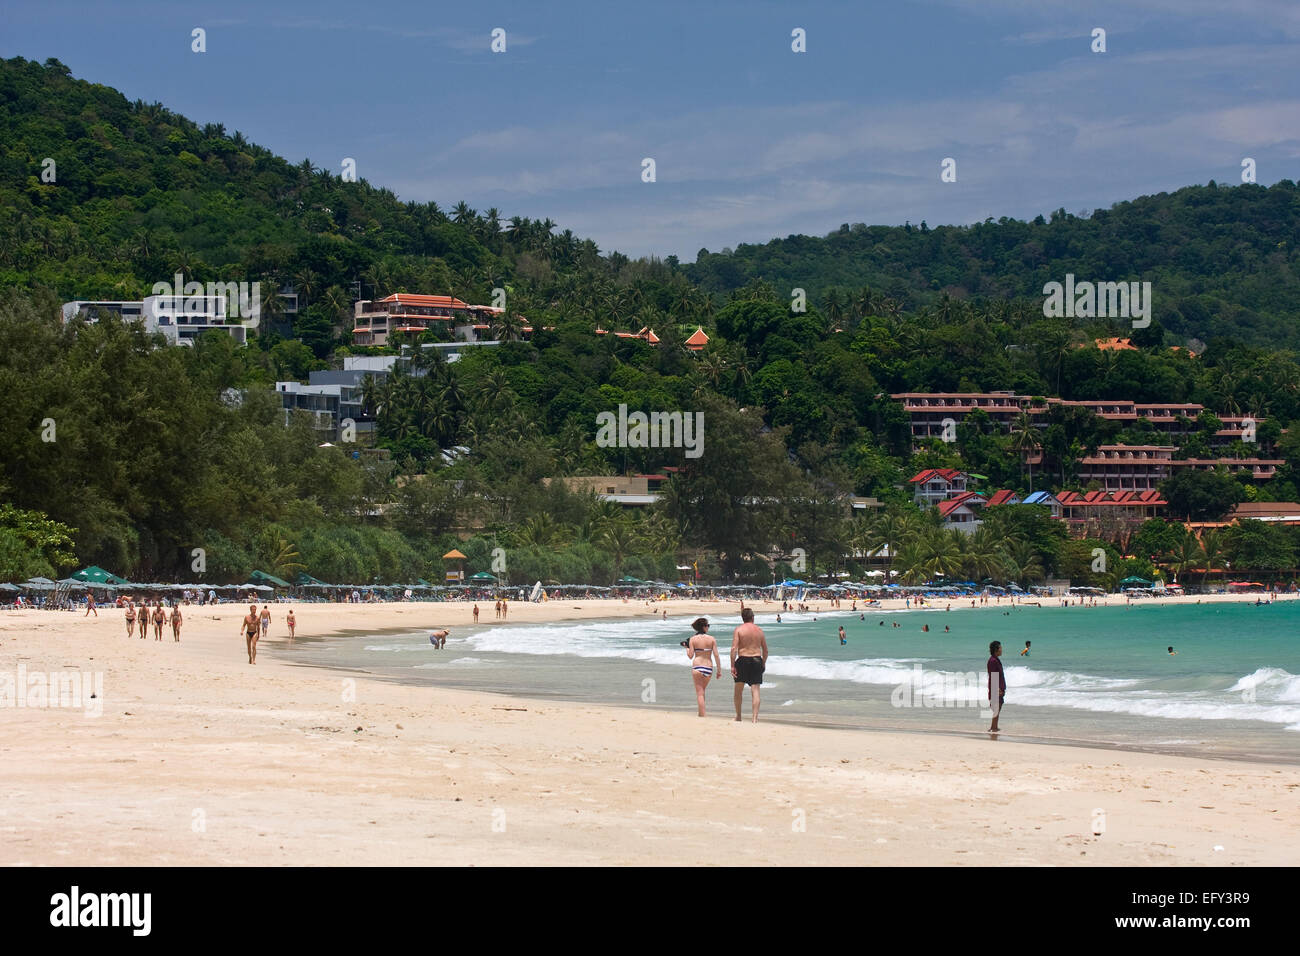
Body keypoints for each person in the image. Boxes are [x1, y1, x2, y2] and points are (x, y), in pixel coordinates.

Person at [731, 607, 769, 723]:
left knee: (738, 690)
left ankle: (738, 716)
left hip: (742, 660)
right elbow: (765, 650)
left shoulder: (739, 630)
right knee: (755, 690)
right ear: (753, 617)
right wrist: (763, 663)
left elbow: (734, 649)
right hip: (757, 659)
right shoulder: (759, 630)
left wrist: (732, 665)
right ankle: (754, 718)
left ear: (743, 618)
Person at [686, 617, 720, 717]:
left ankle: (702, 715)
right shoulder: (712, 639)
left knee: (700, 693)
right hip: (708, 667)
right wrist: (719, 670)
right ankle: (701, 713)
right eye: (707, 625)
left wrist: (687, 648)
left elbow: (690, 656)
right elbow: (716, 655)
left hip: (697, 666)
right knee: (702, 691)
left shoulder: (693, 639)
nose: (708, 627)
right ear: (704, 627)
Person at [987, 641, 1006, 732]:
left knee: (998, 707)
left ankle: (994, 726)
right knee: (996, 708)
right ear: (996, 650)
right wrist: (997, 689)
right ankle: (993, 727)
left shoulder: (995, 659)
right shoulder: (993, 661)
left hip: (998, 687)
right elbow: (993, 675)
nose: (1001, 650)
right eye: (1000, 648)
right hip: (995, 688)